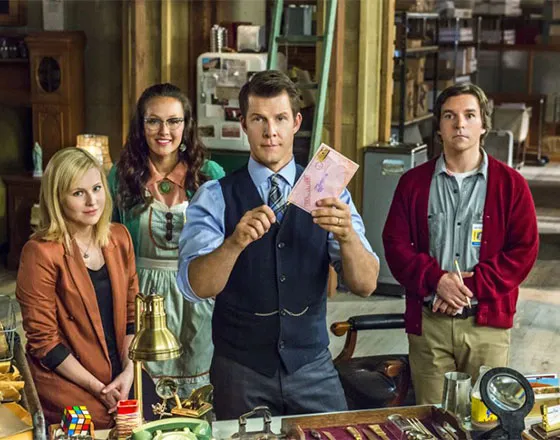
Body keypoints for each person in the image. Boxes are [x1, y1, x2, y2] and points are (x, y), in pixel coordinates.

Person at [177, 70, 379, 420]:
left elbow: (366, 285)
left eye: (280, 119)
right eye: (259, 119)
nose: (270, 131)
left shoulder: (327, 189)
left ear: (296, 123)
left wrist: (347, 235)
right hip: (240, 371)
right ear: (244, 124)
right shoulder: (214, 196)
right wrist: (234, 244)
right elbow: (197, 287)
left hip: (312, 366)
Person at [382, 83, 539, 404]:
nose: (460, 124)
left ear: (484, 125)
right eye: (449, 116)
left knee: (486, 419)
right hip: (430, 324)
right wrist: (436, 280)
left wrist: (469, 287)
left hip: (487, 326)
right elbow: (395, 245)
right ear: (439, 127)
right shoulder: (413, 184)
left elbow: (523, 251)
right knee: (432, 419)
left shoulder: (511, 185)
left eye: (469, 115)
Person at [108, 83, 225, 398]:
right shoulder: (121, 176)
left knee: (198, 393)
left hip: (197, 294)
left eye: (174, 121)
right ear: (141, 126)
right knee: (146, 392)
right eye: (154, 121)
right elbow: (108, 246)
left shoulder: (209, 175)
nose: (164, 131)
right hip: (142, 296)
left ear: (186, 126)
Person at [16, 148, 138, 428]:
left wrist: (130, 372)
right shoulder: (40, 252)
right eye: (78, 193)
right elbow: (44, 343)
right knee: (100, 426)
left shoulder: (119, 238)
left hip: (123, 370)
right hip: (69, 380)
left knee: (156, 420)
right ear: (57, 198)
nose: (92, 201)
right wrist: (100, 389)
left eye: (96, 188)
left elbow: (134, 318)